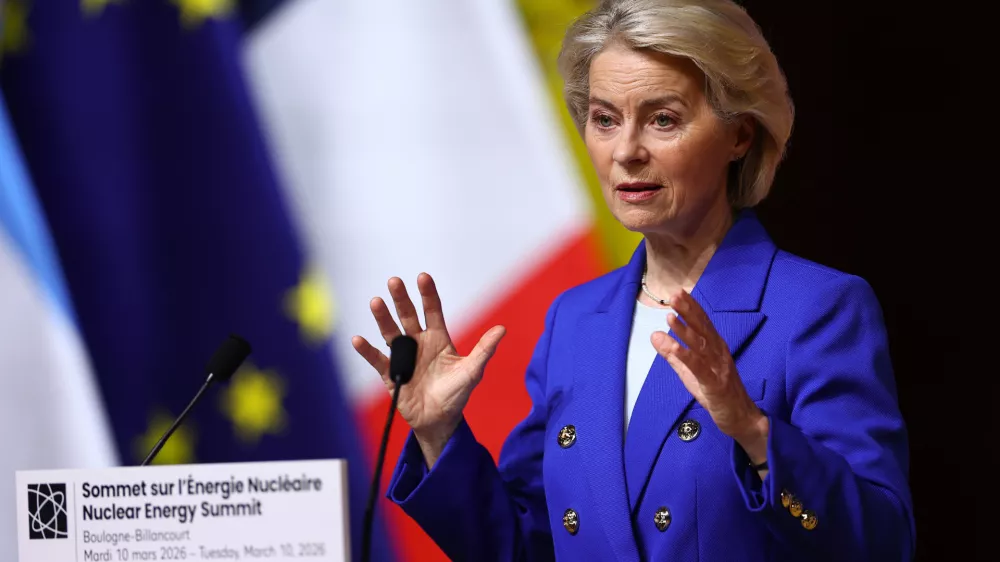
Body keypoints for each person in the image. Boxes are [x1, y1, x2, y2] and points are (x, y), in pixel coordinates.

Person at [351, 0, 915, 560]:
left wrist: (752, 430)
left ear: (739, 135)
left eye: (662, 119)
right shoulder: (575, 319)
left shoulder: (817, 308)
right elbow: (524, 548)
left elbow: (883, 543)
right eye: (604, 119)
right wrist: (439, 433)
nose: (625, 151)